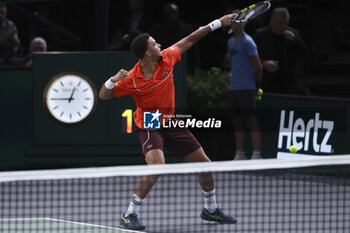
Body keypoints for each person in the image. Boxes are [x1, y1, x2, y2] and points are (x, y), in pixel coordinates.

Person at [99, 13, 238, 231]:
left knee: (205, 165)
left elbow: (191, 38)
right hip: (148, 121)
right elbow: (103, 96)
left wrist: (220, 22)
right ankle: (129, 214)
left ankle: (210, 209)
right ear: (147, 52)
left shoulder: (168, 57)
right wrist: (112, 80)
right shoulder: (132, 80)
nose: (160, 44)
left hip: (169, 120)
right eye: (155, 43)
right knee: (158, 167)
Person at [225, 10, 263, 160]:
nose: (236, 25)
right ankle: (240, 154)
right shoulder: (230, 42)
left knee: (251, 121)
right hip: (233, 87)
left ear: (245, 23)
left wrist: (257, 85)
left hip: (247, 88)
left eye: (240, 21)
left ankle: (257, 155)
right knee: (237, 122)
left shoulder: (248, 42)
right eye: (234, 21)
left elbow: (258, 67)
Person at [253, 7, 307, 94]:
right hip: (266, 81)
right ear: (272, 21)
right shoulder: (261, 35)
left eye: (286, 23)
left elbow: (305, 53)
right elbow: (251, 56)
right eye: (280, 22)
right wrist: (263, 63)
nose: (283, 26)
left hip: (287, 81)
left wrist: (295, 40)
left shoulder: (293, 35)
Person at [150, 3, 200, 73]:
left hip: (184, 68)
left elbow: (194, 52)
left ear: (177, 14)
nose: (171, 16)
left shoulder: (187, 30)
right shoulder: (157, 31)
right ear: (164, 14)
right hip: (163, 68)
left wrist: (196, 69)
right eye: (168, 13)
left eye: (173, 13)